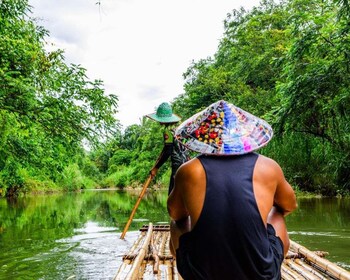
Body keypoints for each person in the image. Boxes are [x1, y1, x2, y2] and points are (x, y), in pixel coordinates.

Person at [167, 100, 297, 280]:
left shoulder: (188, 170)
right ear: (244, 135)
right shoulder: (269, 167)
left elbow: (175, 213)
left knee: (177, 224)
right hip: (261, 275)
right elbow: (289, 205)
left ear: (207, 137)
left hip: (203, 274)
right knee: (277, 213)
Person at [146, 102, 189, 195]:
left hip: (178, 166)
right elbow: (167, 148)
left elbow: (168, 152)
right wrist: (156, 163)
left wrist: (156, 168)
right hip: (188, 162)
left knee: (172, 196)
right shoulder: (180, 128)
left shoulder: (167, 131)